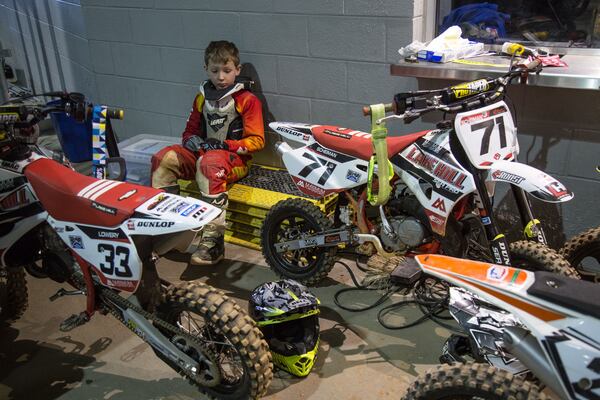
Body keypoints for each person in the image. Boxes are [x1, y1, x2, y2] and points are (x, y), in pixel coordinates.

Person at [151, 41, 264, 265]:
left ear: (237, 70)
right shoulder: (202, 97)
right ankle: (168, 226)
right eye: (215, 71)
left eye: (227, 71)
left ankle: (213, 241)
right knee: (163, 158)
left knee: (208, 164)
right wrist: (190, 140)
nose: (221, 77)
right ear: (206, 70)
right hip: (204, 154)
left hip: (236, 160)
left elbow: (257, 141)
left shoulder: (247, 100)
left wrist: (226, 146)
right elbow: (189, 131)